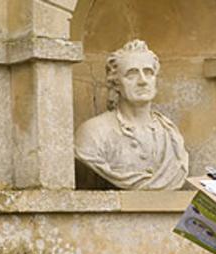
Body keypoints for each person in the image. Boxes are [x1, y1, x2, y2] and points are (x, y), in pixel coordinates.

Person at [75, 40, 189, 190]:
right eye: (132, 74)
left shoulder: (170, 134)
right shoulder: (93, 133)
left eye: (148, 73)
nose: (142, 81)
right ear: (115, 82)